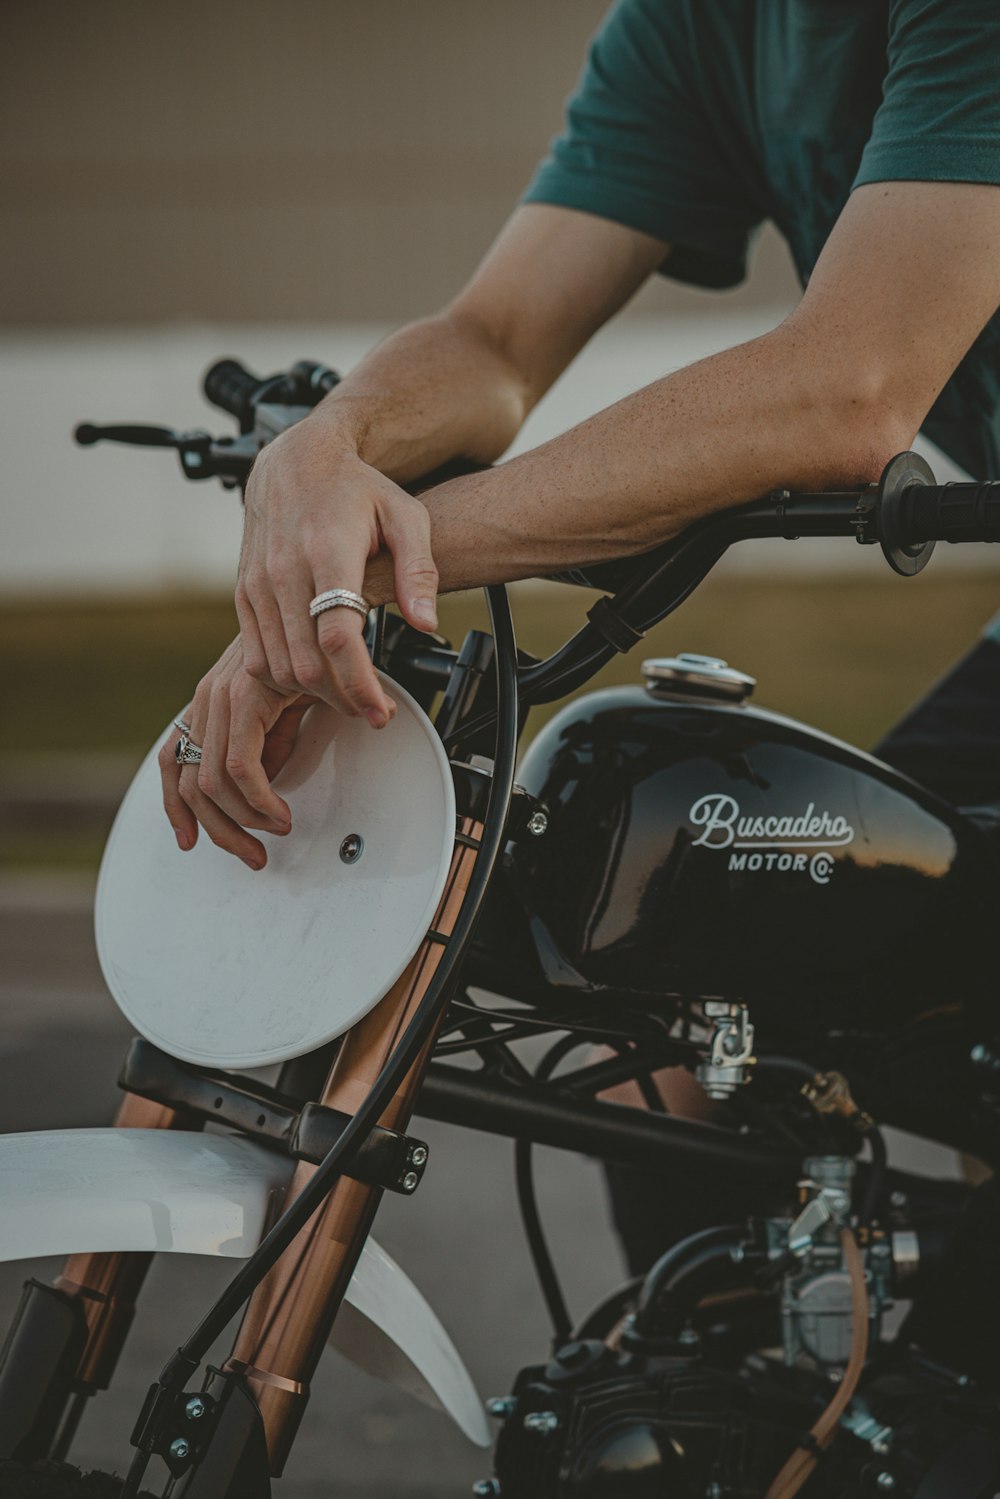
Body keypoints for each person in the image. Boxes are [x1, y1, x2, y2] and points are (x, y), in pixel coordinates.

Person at [160, 0, 1000, 1260]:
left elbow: (850, 385)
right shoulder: (694, 25)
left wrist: (373, 566)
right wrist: (322, 457)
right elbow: (496, 342)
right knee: (679, 1042)